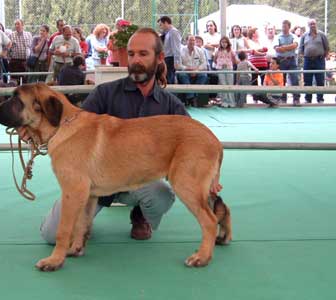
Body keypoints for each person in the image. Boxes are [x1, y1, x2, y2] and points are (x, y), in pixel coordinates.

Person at [19, 28, 215, 245]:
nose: (135, 60)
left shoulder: (170, 105)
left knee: (161, 194)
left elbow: (191, 143)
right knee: (50, 235)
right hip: (97, 184)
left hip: (140, 183)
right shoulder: (105, 93)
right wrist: (36, 132)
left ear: (159, 58)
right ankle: (82, 227)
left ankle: (140, 215)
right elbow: (72, 126)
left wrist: (210, 176)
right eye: (131, 54)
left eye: (143, 54)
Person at [299, 18, 329, 104]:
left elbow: (327, 47)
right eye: (311, 24)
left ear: (316, 24)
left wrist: (325, 56)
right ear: (308, 26)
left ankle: (320, 99)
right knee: (307, 80)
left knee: (320, 80)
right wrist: (302, 55)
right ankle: (308, 99)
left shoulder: (322, 35)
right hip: (307, 60)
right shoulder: (304, 35)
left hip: (319, 60)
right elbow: (301, 48)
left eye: (314, 24)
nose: (312, 25)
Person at [176, 34, 208, 105]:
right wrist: (188, 69)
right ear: (186, 41)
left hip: (197, 71)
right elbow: (178, 65)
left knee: (204, 75)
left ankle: (193, 96)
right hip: (185, 71)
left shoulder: (200, 50)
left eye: (193, 40)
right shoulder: (181, 50)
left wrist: (197, 70)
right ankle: (191, 97)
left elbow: (204, 64)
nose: (192, 42)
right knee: (182, 75)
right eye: (190, 40)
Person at [274, 20, 300, 106]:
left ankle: (296, 99)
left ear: (289, 27)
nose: (283, 28)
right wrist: (289, 47)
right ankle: (282, 98)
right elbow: (277, 49)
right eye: (282, 26)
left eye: (285, 26)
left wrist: (283, 47)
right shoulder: (277, 37)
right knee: (282, 80)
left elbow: (295, 45)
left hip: (292, 60)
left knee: (295, 79)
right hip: (281, 61)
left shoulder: (294, 36)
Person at [246, 27, 268, 103]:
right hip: (254, 65)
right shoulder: (249, 41)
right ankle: (255, 98)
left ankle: (264, 97)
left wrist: (258, 51)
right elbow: (252, 51)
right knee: (254, 81)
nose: (258, 33)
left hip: (263, 64)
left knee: (264, 81)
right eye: (257, 32)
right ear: (253, 33)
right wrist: (261, 52)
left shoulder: (260, 41)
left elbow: (265, 49)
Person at [214, 36, 237, 108]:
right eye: (222, 42)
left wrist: (229, 64)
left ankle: (231, 102)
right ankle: (224, 101)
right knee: (223, 84)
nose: (224, 44)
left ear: (228, 43)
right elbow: (215, 59)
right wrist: (220, 64)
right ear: (220, 43)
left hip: (229, 68)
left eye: (225, 42)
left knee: (229, 84)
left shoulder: (231, 51)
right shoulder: (217, 51)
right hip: (221, 69)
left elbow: (234, 60)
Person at [157, 16, 181, 84]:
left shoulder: (174, 32)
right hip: (167, 58)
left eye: (161, 25)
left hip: (171, 59)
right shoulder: (167, 33)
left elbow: (176, 48)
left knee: (169, 79)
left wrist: (176, 62)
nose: (160, 27)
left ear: (166, 23)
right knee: (166, 78)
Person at [7, 19, 33, 84]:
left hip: (25, 61)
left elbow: (31, 47)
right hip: (14, 61)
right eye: (15, 24)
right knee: (14, 82)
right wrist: (9, 58)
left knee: (25, 82)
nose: (16, 26)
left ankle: (25, 94)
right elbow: (7, 48)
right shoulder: (11, 35)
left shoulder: (28, 34)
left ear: (22, 25)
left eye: (18, 24)